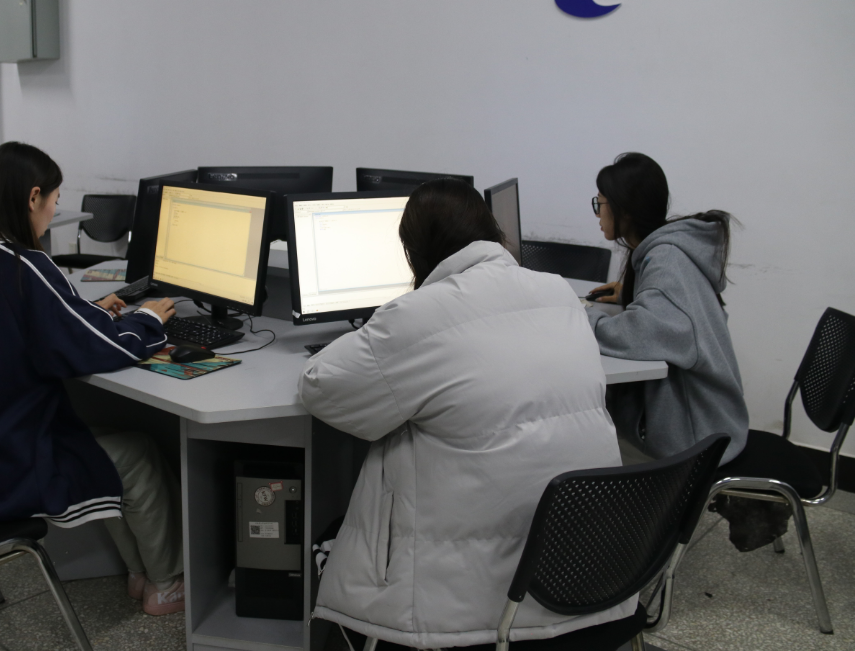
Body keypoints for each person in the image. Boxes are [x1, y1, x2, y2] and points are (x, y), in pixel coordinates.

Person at [299, 179, 633, 647]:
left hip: (466, 605)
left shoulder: (416, 315)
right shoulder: (557, 292)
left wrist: (374, 332)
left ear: (414, 252)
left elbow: (322, 386)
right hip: (578, 575)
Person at [0, 141, 185, 615]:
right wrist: (148, 320)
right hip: (4, 469)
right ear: (32, 197)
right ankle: (164, 585)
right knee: (138, 453)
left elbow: (14, 327)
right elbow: (99, 348)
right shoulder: (24, 264)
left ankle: (137, 574)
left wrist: (83, 312)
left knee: (103, 440)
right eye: (55, 201)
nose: (53, 212)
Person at [586, 152, 748, 465]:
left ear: (624, 209)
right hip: (710, 421)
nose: (597, 213)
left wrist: (583, 318)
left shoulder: (666, 261)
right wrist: (631, 293)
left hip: (698, 438)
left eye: (599, 203)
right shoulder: (669, 250)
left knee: (586, 438)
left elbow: (640, 335)